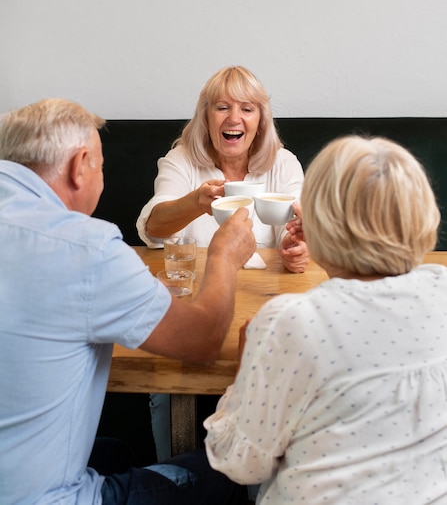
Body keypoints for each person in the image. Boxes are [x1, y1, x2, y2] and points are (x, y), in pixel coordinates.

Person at [0, 98, 256, 505]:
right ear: (79, 165)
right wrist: (224, 257)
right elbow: (203, 339)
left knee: (115, 452)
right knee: (227, 474)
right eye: (101, 166)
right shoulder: (86, 247)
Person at [204, 135, 447, 504]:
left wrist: (244, 375)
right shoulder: (440, 289)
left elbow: (240, 463)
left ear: (322, 219)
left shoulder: (291, 322)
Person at [135, 66, 309, 463]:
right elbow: (153, 226)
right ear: (206, 117)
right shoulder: (181, 161)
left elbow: (297, 228)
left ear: (260, 119)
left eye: (247, 108)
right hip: (195, 305)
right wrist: (196, 201)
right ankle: (172, 477)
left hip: (262, 311)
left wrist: (298, 247)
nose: (234, 118)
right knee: (163, 379)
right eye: (222, 108)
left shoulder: (283, 164)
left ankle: (255, 482)